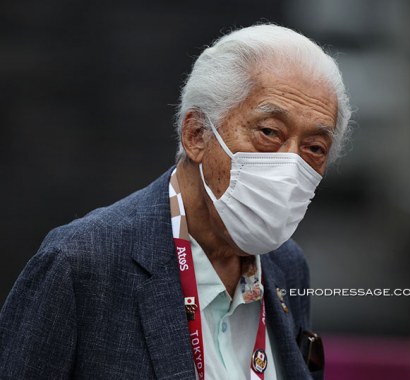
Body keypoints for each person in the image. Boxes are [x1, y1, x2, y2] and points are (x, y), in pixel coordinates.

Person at [0, 24, 351, 379]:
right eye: (269, 132)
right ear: (197, 134)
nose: (290, 164)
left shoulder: (287, 266)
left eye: (315, 148)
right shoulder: (83, 265)